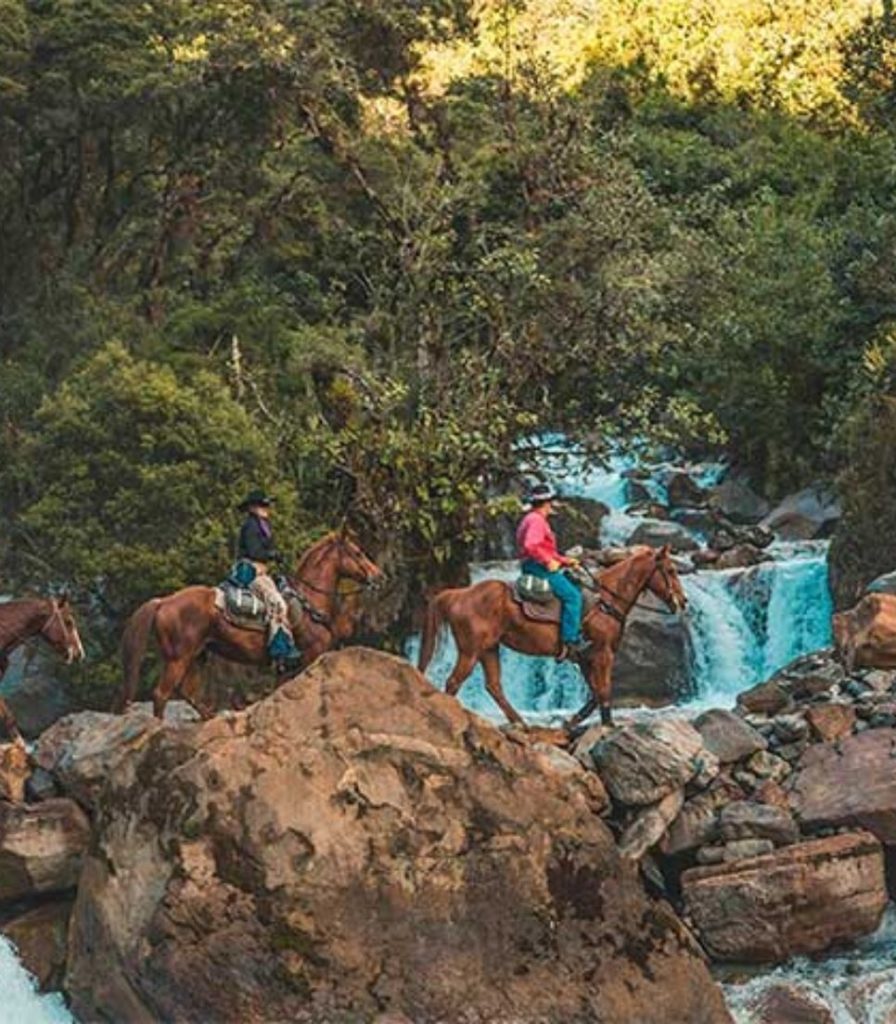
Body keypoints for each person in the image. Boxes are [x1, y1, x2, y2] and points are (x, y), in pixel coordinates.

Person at [516, 482, 590, 660]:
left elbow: (548, 551)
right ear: (547, 503)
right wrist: (547, 561)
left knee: (574, 583)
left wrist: (566, 561)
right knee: (573, 596)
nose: (553, 506)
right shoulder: (536, 520)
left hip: (537, 564)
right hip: (537, 568)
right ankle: (570, 641)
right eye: (551, 502)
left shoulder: (532, 518)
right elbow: (530, 545)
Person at [235, 489, 302, 673]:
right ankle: (279, 650)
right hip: (252, 573)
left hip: (263, 571)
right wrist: (271, 554)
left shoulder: (263, 526)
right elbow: (255, 552)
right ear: (253, 508)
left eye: (267, 505)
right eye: (263, 505)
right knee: (277, 603)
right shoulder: (250, 526)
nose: (267, 508)